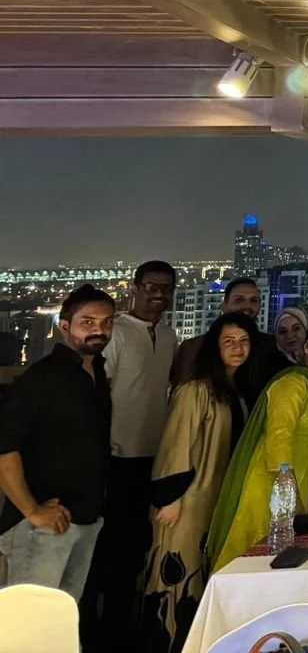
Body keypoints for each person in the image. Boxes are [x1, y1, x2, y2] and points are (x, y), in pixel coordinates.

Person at [139, 313, 253, 653]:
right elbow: (176, 444)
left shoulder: (235, 391)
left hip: (213, 502)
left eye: (243, 341)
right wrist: (169, 497)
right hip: (185, 502)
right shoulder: (195, 391)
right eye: (228, 341)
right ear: (214, 347)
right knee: (173, 580)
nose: (237, 348)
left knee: (198, 579)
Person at [84, 259, 177, 651]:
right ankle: (89, 637)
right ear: (135, 288)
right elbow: (97, 395)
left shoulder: (169, 336)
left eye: (166, 288)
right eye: (151, 286)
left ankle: (119, 635)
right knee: (101, 558)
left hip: (150, 461)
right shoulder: (117, 333)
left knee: (132, 556)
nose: (158, 294)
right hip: (114, 461)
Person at [0, 285, 114, 597]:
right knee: (27, 629)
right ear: (65, 327)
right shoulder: (43, 378)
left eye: (106, 322)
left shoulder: (97, 374)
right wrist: (33, 510)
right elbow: (3, 446)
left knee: (58, 623)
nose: (99, 330)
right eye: (87, 322)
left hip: (85, 518)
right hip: (43, 527)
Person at [208, 318, 308, 571]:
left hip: (296, 481)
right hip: (272, 482)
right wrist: (288, 493)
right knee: (254, 555)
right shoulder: (291, 384)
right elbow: (279, 437)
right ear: (307, 348)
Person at [172, 279, 283, 410]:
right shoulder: (194, 347)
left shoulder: (271, 346)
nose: (247, 306)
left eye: (253, 300)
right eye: (239, 300)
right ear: (224, 305)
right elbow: (180, 399)